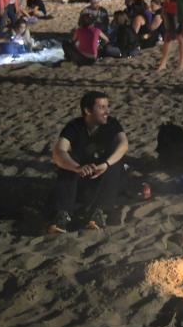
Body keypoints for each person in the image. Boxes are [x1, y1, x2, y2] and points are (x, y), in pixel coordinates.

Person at [48, 91, 129, 232]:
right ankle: (63, 215)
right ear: (88, 111)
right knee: (67, 161)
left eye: (107, 106)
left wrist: (106, 164)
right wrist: (76, 167)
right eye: (102, 107)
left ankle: (99, 212)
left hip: (106, 177)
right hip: (83, 178)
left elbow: (124, 144)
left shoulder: (112, 124)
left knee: (115, 161)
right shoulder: (75, 126)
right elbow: (58, 151)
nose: (107, 111)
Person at [158, 0, 183, 71]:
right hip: (170, 9)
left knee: (180, 37)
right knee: (168, 37)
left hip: (179, 10)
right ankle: (163, 63)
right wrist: (163, 9)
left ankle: (182, 62)